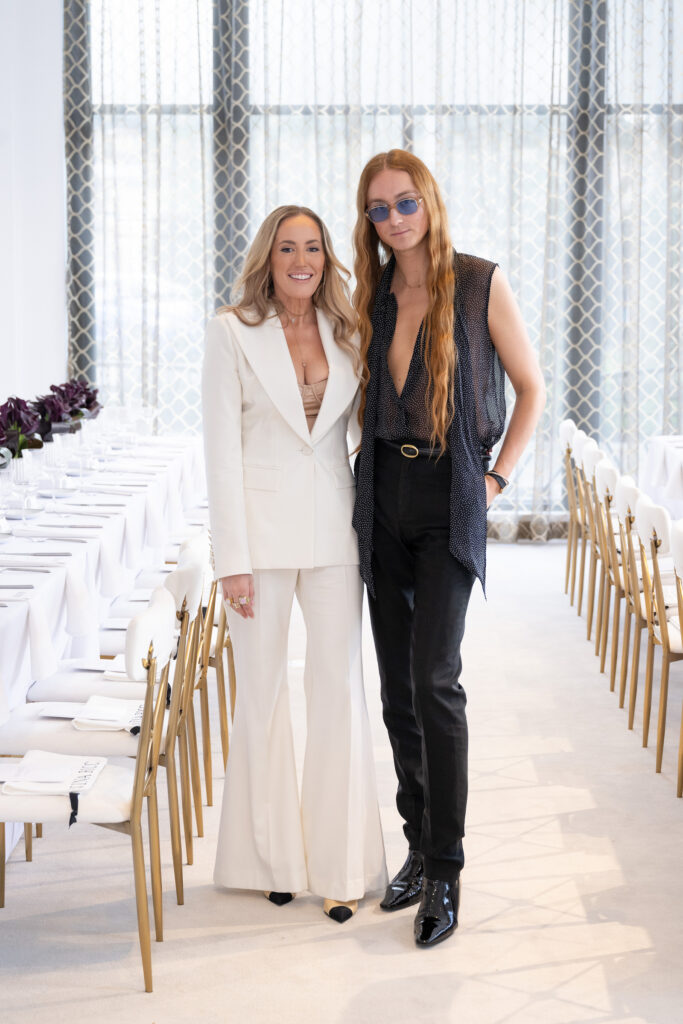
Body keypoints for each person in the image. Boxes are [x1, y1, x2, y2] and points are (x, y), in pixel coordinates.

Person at [352, 150, 546, 946]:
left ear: (427, 201)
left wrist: (497, 481)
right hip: (379, 495)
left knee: (434, 680)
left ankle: (446, 869)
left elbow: (529, 385)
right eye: (377, 210)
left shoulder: (476, 281)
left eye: (403, 203)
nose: (393, 219)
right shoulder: (370, 294)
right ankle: (414, 844)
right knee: (396, 687)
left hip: (449, 490)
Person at [202, 205, 387, 923]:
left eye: (312, 248)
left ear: (327, 258)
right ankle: (273, 861)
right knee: (265, 693)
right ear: (267, 258)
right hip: (259, 540)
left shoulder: (349, 330)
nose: (300, 260)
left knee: (340, 689)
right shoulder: (231, 332)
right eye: (287, 248)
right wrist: (232, 560)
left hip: (334, 534)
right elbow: (219, 450)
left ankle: (342, 866)